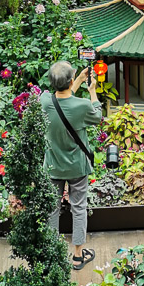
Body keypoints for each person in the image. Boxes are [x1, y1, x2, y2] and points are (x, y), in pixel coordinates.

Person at [41, 60, 102, 271]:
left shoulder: (44, 102)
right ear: (68, 81)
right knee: (79, 208)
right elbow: (97, 115)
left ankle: (50, 253)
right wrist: (92, 91)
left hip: (53, 167)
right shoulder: (82, 106)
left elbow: (61, 101)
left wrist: (75, 81)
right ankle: (77, 256)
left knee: (52, 208)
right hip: (77, 166)